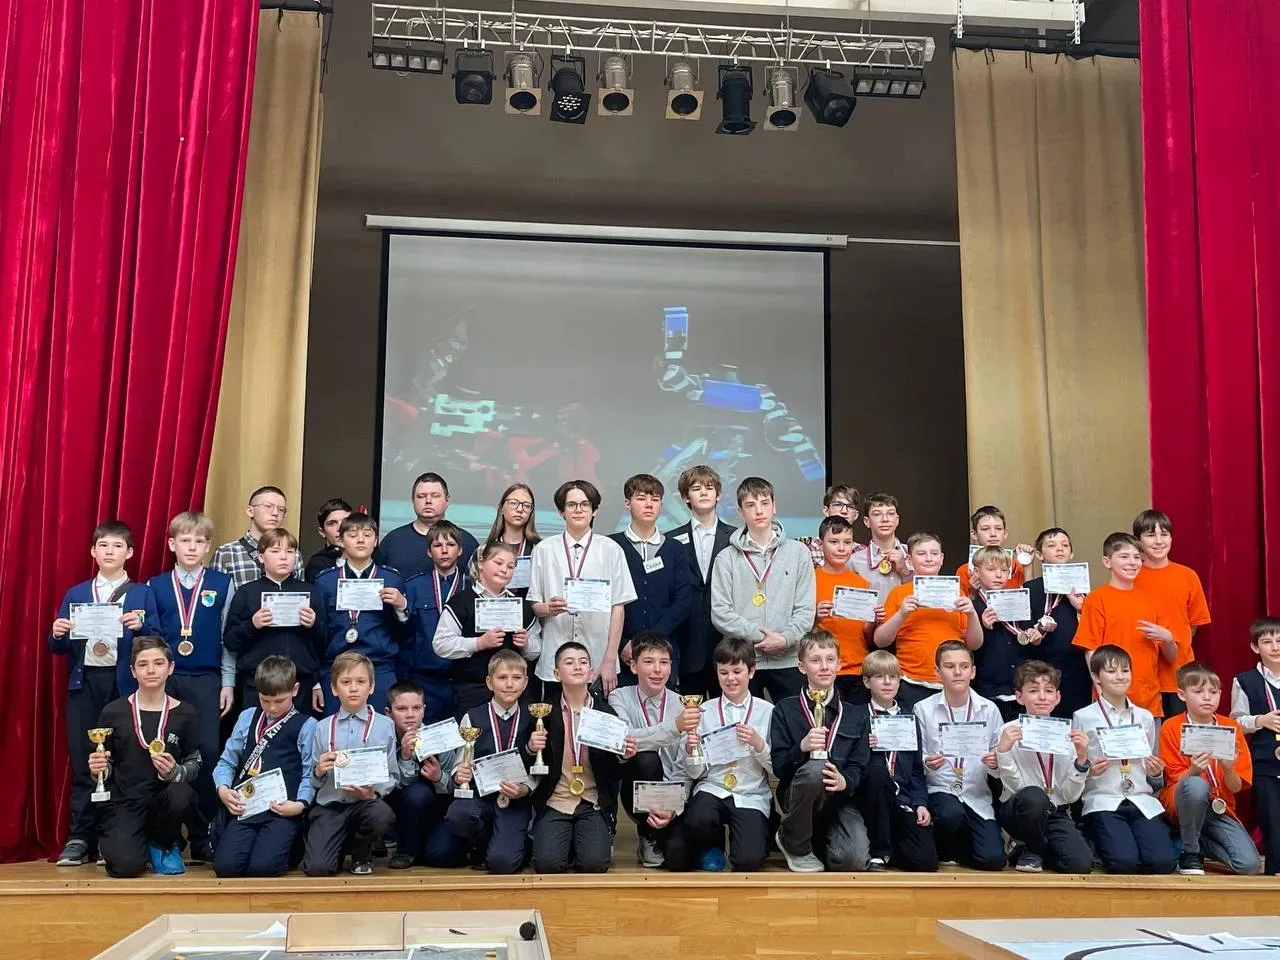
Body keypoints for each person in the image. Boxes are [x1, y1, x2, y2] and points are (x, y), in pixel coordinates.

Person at [49, 520, 159, 866]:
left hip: (123, 684)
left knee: (124, 761)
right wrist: (57, 632)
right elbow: (57, 647)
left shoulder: (141, 593)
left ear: (130, 552)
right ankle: (80, 836)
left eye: (117, 546)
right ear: (93, 552)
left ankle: (114, 836)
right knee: (86, 760)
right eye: (103, 546)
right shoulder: (77, 593)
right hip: (85, 684)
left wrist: (142, 626)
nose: (110, 552)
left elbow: (157, 639)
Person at [147, 511, 234, 862]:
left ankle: (203, 836)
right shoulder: (155, 586)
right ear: (172, 544)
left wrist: (228, 682)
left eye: (199, 541)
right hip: (168, 680)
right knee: (165, 752)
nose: (192, 547)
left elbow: (228, 640)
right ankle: (166, 835)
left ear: (208, 547)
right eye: (185, 540)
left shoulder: (222, 583)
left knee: (207, 754)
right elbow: (152, 640)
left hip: (207, 679)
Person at [89, 637, 204, 878]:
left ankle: (163, 843)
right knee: (126, 867)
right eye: (143, 664)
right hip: (125, 802)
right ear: (133, 671)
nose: (151, 670)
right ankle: (122, 843)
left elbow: (196, 763)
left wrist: (175, 772)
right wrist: (98, 768)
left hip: (164, 801)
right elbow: (105, 764)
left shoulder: (186, 712)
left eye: (158, 663)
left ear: (170, 667)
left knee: (182, 793)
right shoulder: (113, 712)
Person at [667, 637, 773, 873]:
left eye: (737, 671)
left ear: (751, 672)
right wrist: (691, 750)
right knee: (698, 819)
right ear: (716, 673)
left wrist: (758, 744)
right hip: (713, 787)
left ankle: (751, 840)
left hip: (750, 793)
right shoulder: (703, 711)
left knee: (748, 860)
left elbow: (776, 768)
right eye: (723, 672)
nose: (730, 678)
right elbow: (695, 772)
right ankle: (712, 844)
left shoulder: (768, 712)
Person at [530, 643, 636, 874]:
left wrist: (623, 757)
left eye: (583, 662)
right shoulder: (544, 713)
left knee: (594, 864)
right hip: (556, 801)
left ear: (591, 671)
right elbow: (530, 762)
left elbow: (613, 774)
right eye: (569, 662)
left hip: (592, 802)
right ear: (556, 673)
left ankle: (585, 840)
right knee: (547, 864)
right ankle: (564, 843)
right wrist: (530, 748)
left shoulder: (606, 714)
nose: (577, 667)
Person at [771, 629, 871, 872]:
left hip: (839, 800)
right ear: (801, 666)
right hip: (798, 797)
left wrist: (845, 781)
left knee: (853, 861)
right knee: (816, 768)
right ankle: (794, 843)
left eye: (830, 659)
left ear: (840, 664)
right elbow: (779, 767)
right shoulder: (785, 709)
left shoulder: (856, 714)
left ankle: (818, 843)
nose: (824, 667)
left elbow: (859, 765)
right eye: (815, 660)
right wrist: (801, 747)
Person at [709, 476, 816, 702]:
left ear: (774, 506)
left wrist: (785, 639)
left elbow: (806, 610)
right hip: (744, 660)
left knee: (793, 721)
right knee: (745, 723)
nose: (759, 511)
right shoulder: (726, 558)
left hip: (788, 658)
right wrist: (762, 637)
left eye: (764, 503)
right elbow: (721, 613)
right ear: (740, 512)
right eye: (750, 505)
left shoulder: (798, 553)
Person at [1073, 644, 1175, 875]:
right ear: (1096, 677)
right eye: (1111, 671)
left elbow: (1150, 768)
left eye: (1125, 670)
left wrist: (1155, 772)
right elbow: (1075, 766)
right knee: (1123, 863)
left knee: (1163, 863)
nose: (1120, 676)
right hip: (1103, 799)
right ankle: (1096, 842)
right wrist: (1090, 770)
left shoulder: (1145, 717)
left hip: (1140, 799)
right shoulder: (1083, 716)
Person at [529, 480, 636, 699]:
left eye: (585, 504)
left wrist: (610, 659)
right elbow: (534, 604)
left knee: (598, 718)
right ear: (561, 511)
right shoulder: (544, 550)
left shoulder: (611, 549)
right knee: (556, 718)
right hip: (554, 659)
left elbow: (618, 607)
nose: (578, 510)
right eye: (571, 505)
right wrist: (548, 608)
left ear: (594, 510)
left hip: (598, 658)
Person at [211, 656, 317, 877]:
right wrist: (223, 789)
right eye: (265, 700)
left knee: (264, 868)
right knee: (225, 867)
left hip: (283, 810)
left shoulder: (307, 726)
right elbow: (226, 761)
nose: (272, 707)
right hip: (247, 807)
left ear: (295, 690)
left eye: (279, 700)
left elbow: (310, 773)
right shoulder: (247, 717)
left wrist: (300, 805)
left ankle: (294, 846)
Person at [303, 652, 401, 876]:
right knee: (318, 868)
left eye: (361, 681)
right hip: (331, 806)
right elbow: (312, 780)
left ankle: (361, 851)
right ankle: (336, 847)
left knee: (382, 814)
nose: (353, 688)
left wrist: (373, 793)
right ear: (334, 689)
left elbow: (393, 775)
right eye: (346, 682)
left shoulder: (385, 726)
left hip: (365, 804)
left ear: (372, 687)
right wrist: (318, 771)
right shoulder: (322, 727)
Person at [608, 633, 701, 867]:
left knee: (679, 859)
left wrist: (674, 806)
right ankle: (647, 834)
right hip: (637, 791)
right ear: (633, 666)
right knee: (646, 758)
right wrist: (675, 727)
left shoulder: (682, 703)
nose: (657, 670)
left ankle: (666, 832)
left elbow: (684, 765)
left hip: (673, 791)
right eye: (649, 662)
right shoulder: (619, 697)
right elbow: (627, 740)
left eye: (664, 662)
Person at [446, 651, 544, 874]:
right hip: (480, 796)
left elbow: (540, 765)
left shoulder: (533, 718)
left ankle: (516, 845)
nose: (509, 684)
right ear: (489, 682)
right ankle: (481, 847)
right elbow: (461, 761)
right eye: (502, 678)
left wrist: (525, 789)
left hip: (516, 797)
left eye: (516, 678)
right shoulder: (472, 717)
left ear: (525, 682)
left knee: (503, 863)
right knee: (459, 814)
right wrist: (459, 775)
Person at [1159, 661, 1259, 876]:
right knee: (1196, 785)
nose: (1207, 697)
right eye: (1198, 691)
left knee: (1248, 865)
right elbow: (1175, 781)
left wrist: (1228, 768)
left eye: (1213, 692)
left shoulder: (1230, 727)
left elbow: (1236, 787)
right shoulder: (1171, 727)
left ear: (1220, 694)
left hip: (1218, 806)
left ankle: (1188, 840)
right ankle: (1190, 852)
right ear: (1182, 694)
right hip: (1183, 802)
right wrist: (1194, 770)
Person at [1072, 532, 1186, 718]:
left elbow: (1171, 656)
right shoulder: (1096, 599)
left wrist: (1168, 639)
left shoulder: (1152, 601)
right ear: (1107, 562)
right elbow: (1091, 649)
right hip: (1110, 699)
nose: (1132, 562)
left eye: (1137, 557)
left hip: (1149, 701)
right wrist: (1100, 690)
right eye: (1124, 557)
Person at [993, 660, 1093, 873]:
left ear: (1057, 697)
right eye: (1033, 690)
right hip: (1020, 811)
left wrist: (1081, 761)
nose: (1042, 697)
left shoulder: (1068, 735)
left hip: (1054, 811)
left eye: (1048, 691)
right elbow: (1014, 787)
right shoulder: (1008, 732)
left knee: (1080, 864)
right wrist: (1003, 753)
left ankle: (1029, 850)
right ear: (1019, 697)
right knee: (1034, 797)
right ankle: (1032, 846)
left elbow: (1069, 796)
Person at [913, 641, 1005, 871]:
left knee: (993, 860)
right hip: (940, 791)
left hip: (977, 795)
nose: (957, 672)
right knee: (950, 814)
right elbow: (916, 757)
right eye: (949, 666)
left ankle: (960, 850)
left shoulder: (990, 709)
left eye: (964, 666)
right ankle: (943, 847)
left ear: (972, 672)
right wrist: (927, 762)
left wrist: (996, 763)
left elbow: (1000, 756)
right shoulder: (922, 709)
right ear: (937, 671)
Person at [222, 528, 328, 715]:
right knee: (256, 731)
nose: (284, 557)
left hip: (300, 683)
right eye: (275, 551)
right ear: (261, 557)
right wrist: (252, 625)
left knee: (298, 731)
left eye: (290, 551)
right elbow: (230, 640)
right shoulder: (247, 593)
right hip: (258, 683)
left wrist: (313, 625)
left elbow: (324, 640)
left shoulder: (310, 592)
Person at [313, 512, 409, 715]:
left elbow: (405, 634)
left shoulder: (392, 579)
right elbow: (317, 636)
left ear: (376, 541)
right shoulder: (325, 581)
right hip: (337, 667)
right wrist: (316, 679)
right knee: (336, 729)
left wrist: (401, 607)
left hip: (380, 667)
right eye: (353, 534)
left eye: (367, 534)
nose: (360, 540)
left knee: (380, 728)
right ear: (341, 541)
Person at [434, 539, 541, 717]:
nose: (504, 570)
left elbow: (536, 650)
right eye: (498, 563)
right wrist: (479, 643)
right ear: (481, 563)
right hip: (473, 689)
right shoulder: (461, 602)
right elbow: (441, 644)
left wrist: (526, 644)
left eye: (510, 566)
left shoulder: (520, 606)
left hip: (514, 692)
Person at [875, 533, 981, 709]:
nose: (929, 558)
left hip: (951, 682)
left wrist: (972, 614)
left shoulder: (957, 593)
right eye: (921, 554)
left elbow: (975, 644)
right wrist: (901, 614)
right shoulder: (899, 593)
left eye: (934, 553)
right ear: (909, 560)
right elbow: (880, 641)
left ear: (942, 558)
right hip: (910, 681)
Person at [858, 650, 937, 872]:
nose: (887, 682)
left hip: (902, 798)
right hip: (869, 800)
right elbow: (848, 764)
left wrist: (920, 803)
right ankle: (878, 851)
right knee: (877, 772)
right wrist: (863, 747)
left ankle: (892, 849)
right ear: (867, 682)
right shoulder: (857, 717)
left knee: (926, 861)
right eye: (879, 676)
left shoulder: (909, 719)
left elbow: (916, 770)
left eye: (893, 677)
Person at [610, 474, 691, 686]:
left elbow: (682, 601)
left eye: (655, 499)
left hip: (664, 651)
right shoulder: (611, 546)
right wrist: (622, 644)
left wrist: (648, 642)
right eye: (641, 498)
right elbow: (604, 602)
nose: (649, 504)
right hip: (622, 652)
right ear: (627, 503)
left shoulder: (675, 549)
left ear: (661, 505)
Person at [665, 465, 735, 697]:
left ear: (718, 494)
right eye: (696, 488)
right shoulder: (671, 540)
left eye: (709, 487)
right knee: (689, 714)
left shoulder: (736, 537)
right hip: (687, 644)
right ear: (686, 497)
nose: (704, 492)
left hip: (726, 644)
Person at [1132, 509, 1210, 718]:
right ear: (1138, 541)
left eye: (1164, 534)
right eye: (1150, 535)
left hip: (1179, 675)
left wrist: (1173, 645)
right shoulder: (1130, 576)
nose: (1159, 541)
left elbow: (1193, 625)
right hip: (1141, 677)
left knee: (1177, 733)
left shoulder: (1187, 576)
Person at [385, 680, 463, 870]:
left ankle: (428, 845)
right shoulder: (383, 738)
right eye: (402, 709)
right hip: (398, 808)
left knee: (442, 855)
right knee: (416, 794)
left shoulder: (439, 738)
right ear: (389, 712)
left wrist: (439, 777)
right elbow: (389, 787)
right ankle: (406, 850)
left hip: (437, 807)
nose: (410, 715)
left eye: (416, 708)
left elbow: (455, 788)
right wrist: (405, 757)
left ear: (424, 709)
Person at [400, 520, 468, 723]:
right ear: (429, 552)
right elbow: (404, 633)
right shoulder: (413, 586)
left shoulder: (471, 586)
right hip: (425, 679)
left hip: (462, 678)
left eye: (451, 545)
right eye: (438, 545)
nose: (444, 551)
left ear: (460, 550)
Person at [1021, 527, 1091, 718]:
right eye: (1052, 545)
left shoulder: (1084, 590)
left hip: (1077, 670)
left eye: (1065, 545)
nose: (1060, 549)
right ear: (1039, 554)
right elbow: (1023, 630)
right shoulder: (1030, 588)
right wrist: (1034, 634)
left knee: (1075, 723)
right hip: (1040, 669)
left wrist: (1080, 608)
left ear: (1072, 553)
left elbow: (1093, 631)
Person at [1230, 616, 1280, 877]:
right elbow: (1236, 722)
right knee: (1273, 821)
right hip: (1264, 762)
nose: (1275, 647)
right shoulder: (1245, 680)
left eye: (1279, 640)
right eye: (1267, 641)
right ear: (1255, 647)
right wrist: (1261, 720)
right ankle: (1275, 874)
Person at [812, 516, 876, 705]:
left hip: (858, 670)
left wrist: (874, 621)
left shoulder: (862, 583)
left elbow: (867, 635)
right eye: (834, 542)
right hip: (824, 670)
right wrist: (814, 616)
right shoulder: (810, 580)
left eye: (847, 542)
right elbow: (799, 629)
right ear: (820, 544)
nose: (841, 548)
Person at [378, 472, 480, 579]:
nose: (428, 501)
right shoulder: (393, 540)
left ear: (447, 500)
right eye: (421, 496)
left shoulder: (466, 541)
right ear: (413, 500)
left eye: (435, 496)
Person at [969, 547, 1024, 721]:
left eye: (1004, 570)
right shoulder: (972, 608)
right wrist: (982, 627)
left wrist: (1035, 634)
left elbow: (1028, 644)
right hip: (987, 692)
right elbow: (969, 648)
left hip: (1019, 692)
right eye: (991, 569)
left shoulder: (1019, 602)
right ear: (976, 572)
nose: (999, 575)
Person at [211, 485, 301, 589]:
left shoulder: (293, 554)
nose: (275, 513)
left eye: (281, 509)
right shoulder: (227, 553)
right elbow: (216, 594)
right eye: (268, 506)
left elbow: (300, 592)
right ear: (250, 511)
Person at [956, 505, 1035, 597]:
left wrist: (1027, 565)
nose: (993, 534)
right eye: (985, 529)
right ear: (974, 534)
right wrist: (974, 593)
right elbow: (961, 603)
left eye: (998, 529)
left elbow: (1031, 600)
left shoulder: (1017, 567)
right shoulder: (964, 571)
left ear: (1005, 533)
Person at [482, 482, 541, 597]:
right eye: (513, 503)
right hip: (492, 607)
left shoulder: (540, 549)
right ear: (502, 508)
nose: (520, 509)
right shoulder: (483, 550)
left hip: (530, 608)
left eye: (526, 505)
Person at [851, 492, 912, 603]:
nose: (885, 519)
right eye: (877, 514)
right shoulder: (854, 561)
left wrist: (905, 572)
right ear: (867, 522)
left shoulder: (914, 554)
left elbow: (927, 595)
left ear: (897, 520)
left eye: (890, 513)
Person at [799, 483, 861, 566]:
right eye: (838, 504)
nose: (844, 511)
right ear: (826, 511)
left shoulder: (862, 552)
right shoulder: (805, 548)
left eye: (850, 506)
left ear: (856, 515)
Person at [305, 498, 353, 582]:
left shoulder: (369, 558)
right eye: (332, 524)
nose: (340, 528)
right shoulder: (317, 564)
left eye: (346, 522)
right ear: (322, 532)